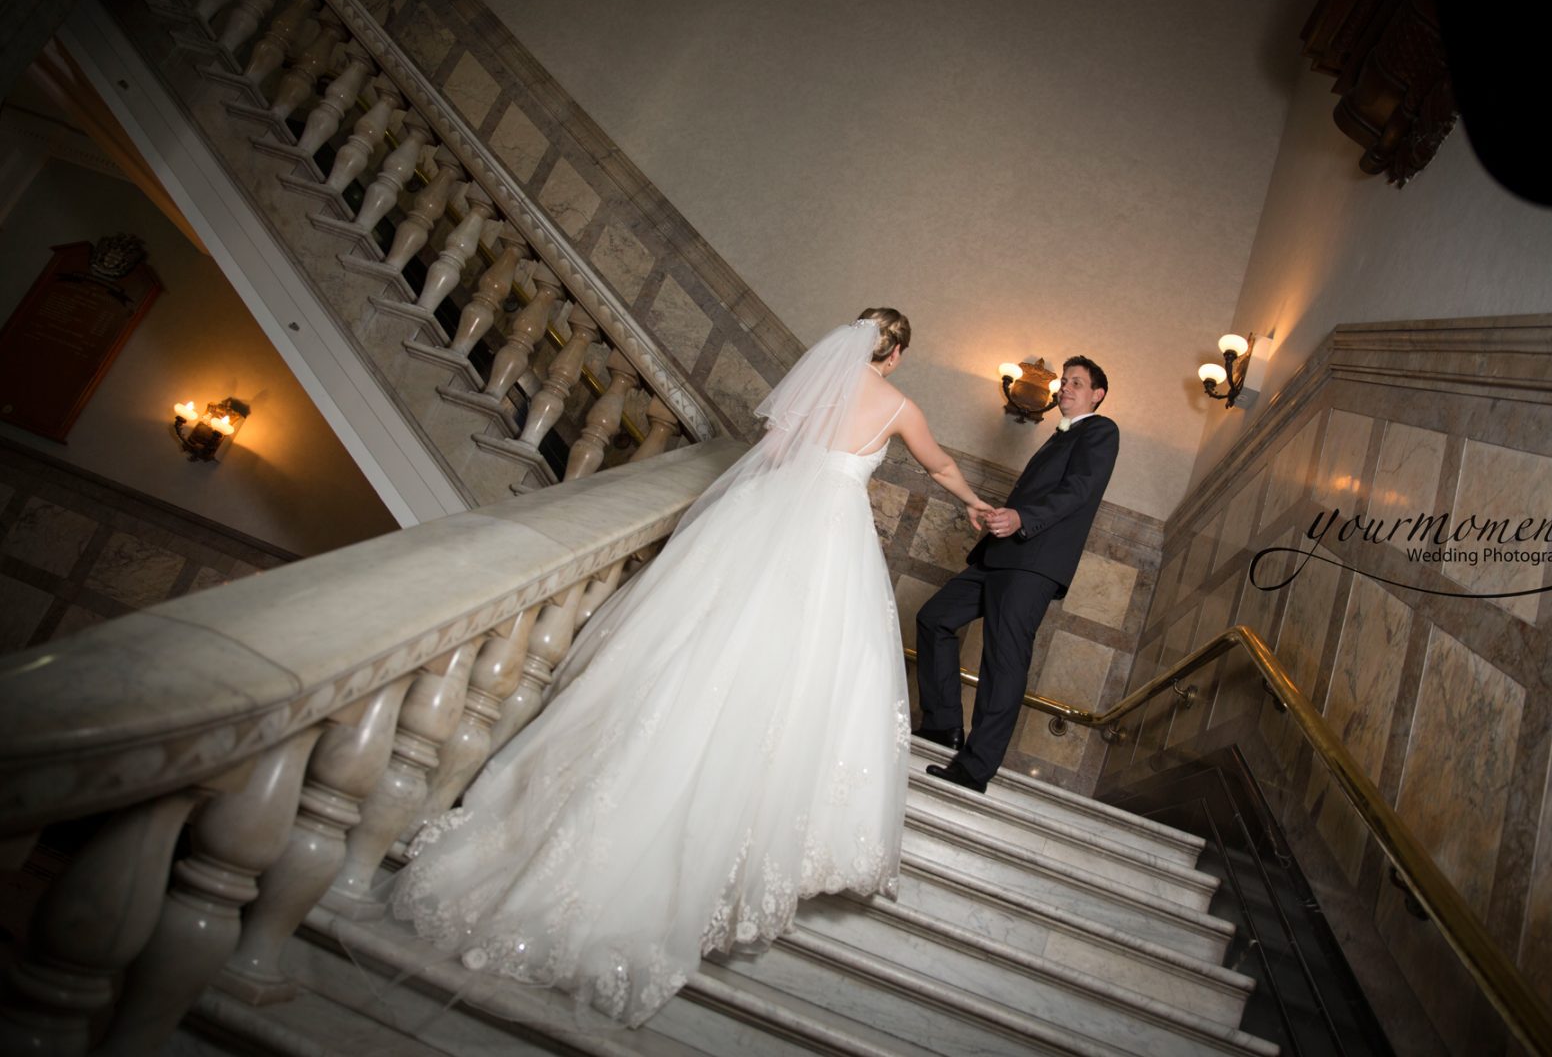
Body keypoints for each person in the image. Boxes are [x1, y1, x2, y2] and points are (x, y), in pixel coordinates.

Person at [391, 308, 990, 1027]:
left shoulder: (816, 388)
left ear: (853, 343)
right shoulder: (896, 404)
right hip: (833, 545)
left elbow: (771, 455)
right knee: (811, 672)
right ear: (895, 358)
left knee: (704, 649)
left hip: (766, 524)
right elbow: (942, 464)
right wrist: (977, 505)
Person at [913, 356, 1118, 793]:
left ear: (1097, 394)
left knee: (1003, 660)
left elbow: (1078, 490)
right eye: (1064, 383)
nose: (1064, 389)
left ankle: (976, 766)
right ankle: (944, 725)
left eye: (1076, 383)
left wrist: (1021, 518)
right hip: (999, 556)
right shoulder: (1057, 435)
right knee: (934, 618)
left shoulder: (1102, 431)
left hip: (1032, 564)